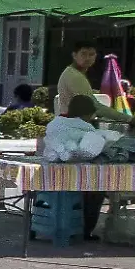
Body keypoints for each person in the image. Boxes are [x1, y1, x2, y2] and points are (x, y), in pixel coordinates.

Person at [43, 94, 111, 241]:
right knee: (97, 191)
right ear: (87, 113)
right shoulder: (86, 128)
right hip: (75, 179)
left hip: (51, 176)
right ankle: (86, 230)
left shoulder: (55, 124)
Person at [56, 44, 131, 122]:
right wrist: (129, 118)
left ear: (95, 56)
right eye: (83, 54)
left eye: (91, 54)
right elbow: (95, 107)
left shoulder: (73, 73)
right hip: (74, 124)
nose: (87, 58)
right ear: (74, 55)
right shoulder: (75, 76)